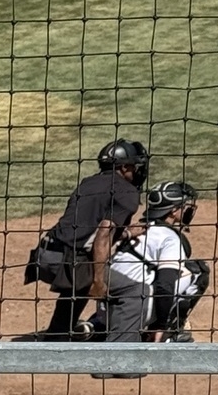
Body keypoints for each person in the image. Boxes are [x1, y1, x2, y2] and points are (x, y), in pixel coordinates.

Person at [32, 139, 152, 342]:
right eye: (134, 166)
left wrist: (126, 233)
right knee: (136, 290)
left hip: (43, 257)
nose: (138, 171)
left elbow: (85, 229)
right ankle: (118, 358)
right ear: (124, 167)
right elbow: (103, 234)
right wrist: (98, 281)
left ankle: (55, 340)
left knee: (80, 282)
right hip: (66, 262)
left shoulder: (88, 182)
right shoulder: (127, 191)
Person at [129, 181, 211, 343]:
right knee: (197, 271)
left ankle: (94, 323)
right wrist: (161, 324)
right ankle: (169, 330)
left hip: (113, 299)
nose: (187, 208)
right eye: (183, 205)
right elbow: (165, 284)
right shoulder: (170, 237)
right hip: (137, 306)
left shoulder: (135, 229)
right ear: (173, 211)